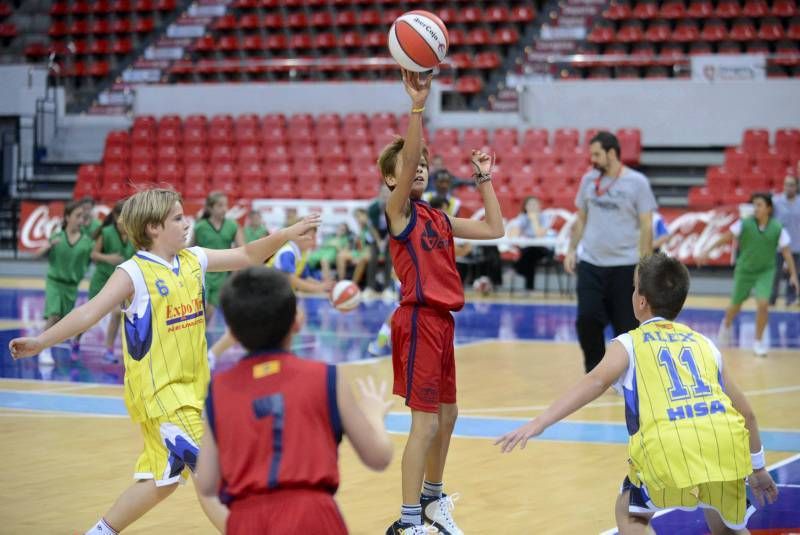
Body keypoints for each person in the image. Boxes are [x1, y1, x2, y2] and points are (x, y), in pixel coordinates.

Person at [8, 188, 320, 535]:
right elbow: (88, 312)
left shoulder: (194, 259)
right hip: (160, 394)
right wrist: (40, 340)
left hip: (193, 390)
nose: (186, 222)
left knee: (162, 481)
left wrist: (286, 235)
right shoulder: (134, 272)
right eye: (176, 218)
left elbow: (247, 254)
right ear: (154, 228)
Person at [496, 253, 779, 535]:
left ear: (641, 301)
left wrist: (540, 422)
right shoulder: (705, 344)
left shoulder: (629, 343)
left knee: (628, 511)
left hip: (667, 450)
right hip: (724, 449)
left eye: (634, 287)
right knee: (725, 523)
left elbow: (595, 382)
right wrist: (758, 467)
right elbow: (748, 414)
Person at [380, 69, 504, 535]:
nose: (418, 168)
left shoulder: (440, 218)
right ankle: (409, 522)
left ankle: (432, 502)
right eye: (409, 166)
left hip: (443, 323)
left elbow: (496, 230)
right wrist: (418, 107)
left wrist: (483, 178)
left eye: (423, 165)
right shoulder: (397, 212)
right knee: (425, 426)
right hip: (416, 321)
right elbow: (409, 156)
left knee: (448, 417)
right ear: (391, 178)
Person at [195, 266, 394, 533]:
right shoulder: (325, 377)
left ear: (232, 332)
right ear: (297, 323)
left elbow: (206, 483)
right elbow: (379, 457)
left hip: (247, 521)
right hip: (312, 517)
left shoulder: (218, 391)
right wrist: (373, 416)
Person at [564, 131, 657, 372]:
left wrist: (644, 264)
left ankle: (626, 373)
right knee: (587, 320)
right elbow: (581, 219)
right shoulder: (588, 181)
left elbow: (647, 224)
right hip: (591, 263)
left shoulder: (637, 183)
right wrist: (571, 249)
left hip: (625, 265)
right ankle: (596, 372)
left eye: (596, 154)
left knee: (626, 327)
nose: (592, 159)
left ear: (612, 153)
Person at [208, 226, 335, 365]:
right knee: (244, 328)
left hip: (273, 295)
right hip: (260, 292)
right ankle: (212, 355)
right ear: (299, 236)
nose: (314, 241)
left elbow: (304, 278)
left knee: (292, 319)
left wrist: (325, 287)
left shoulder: (301, 254)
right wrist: (319, 288)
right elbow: (291, 279)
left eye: (315, 237)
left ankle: (277, 354)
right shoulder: (288, 252)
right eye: (311, 237)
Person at [698, 192, 798, 357]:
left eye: (759, 205)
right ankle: (727, 323)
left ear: (769, 208)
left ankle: (758, 342)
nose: (755, 208)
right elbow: (725, 238)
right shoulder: (744, 224)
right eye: (754, 205)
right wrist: (707, 251)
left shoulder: (778, 228)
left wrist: (793, 275)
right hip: (745, 270)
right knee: (735, 306)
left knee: (763, 304)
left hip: (766, 271)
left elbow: (787, 253)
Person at [35, 199, 94, 364]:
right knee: (53, 315)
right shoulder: (57, 237)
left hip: (71, 286)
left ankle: (50, 342)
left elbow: (94, 257)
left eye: (83, 216)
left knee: (61, 320)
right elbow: (36, 254)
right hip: (55, 282)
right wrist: (48, 245)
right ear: (67, 217)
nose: (80, 219)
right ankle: (42, 349)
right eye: (77, 215)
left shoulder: (87, 242)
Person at [88, 200, 136, 363]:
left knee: (119, 314)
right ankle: (76, 340)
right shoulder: (106, 232)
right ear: (116, 216)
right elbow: (93, 255)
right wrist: (109, 258)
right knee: (89, 318)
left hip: (121, 282)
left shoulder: (133, 233)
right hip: (102, 279)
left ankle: (111, 350)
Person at [193, 192, 244, 323]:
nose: (224, 209)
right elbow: (189, 250)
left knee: (208, 315)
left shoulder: (233, 225)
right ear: (210, 208)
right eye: (220, 205)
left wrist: (235, 275)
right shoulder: (200, 227)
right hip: (202, 274)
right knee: (198, 313)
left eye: (226, 205)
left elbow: (242, 250)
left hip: (222, 276)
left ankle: (201, 340)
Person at [507, 196, 554, 292]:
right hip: (529, 251)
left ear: (540, 206)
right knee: (529, 255)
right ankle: (529, 289)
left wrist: (534, 220)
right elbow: (513, 235)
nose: (532, 207)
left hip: (544, 249)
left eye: (535, 204)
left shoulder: (545, 217)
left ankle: (516, 269)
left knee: (530, 252)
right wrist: (518, 226)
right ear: (525, 207)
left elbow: (540, 235)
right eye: (530, 205)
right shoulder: (522, 217)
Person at [770, 175, 799, 306]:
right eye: (786, 184)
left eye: (791, 185)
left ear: (797, 187)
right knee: (774, 274)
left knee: (794, 274)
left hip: (797, 246)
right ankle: (771, 300)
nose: (788, 187)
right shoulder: (775, 202)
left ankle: (790, 299)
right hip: (778, 246)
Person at [366, 185, 395, 298]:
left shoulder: (394, 207)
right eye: (383, 193)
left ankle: (388, 288)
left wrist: (385, 241)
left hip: (390, 233)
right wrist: (379, 241)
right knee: (373, 257)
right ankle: (370, 288)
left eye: (388, 193)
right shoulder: (373, 207)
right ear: (379, 194)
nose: (385, 195)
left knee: (389, 258)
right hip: (375, 234)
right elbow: (372, 227)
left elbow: (393, 226)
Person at [336, 208, 373, 287]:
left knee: (362, 259)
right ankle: (341, 284)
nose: (358, 219)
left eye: (359, 216)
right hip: (360, 252)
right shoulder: (361, 229)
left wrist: (358, 257)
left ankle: (353, 286)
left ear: (366, 215)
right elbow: (359, 246)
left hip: (371, 253)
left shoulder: (371, 227)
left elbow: (370, 248)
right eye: (356, 217)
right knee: (341, 255)